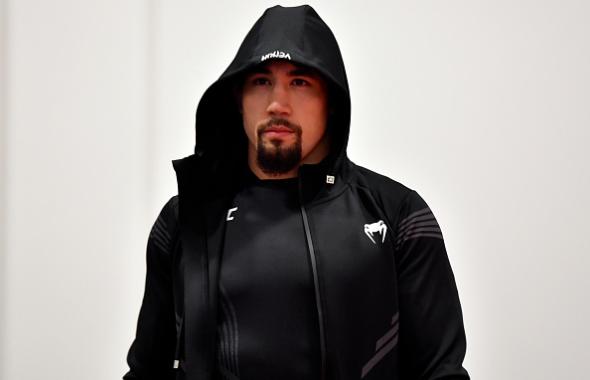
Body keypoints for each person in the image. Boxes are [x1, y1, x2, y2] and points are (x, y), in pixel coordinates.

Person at [123, 4, 470, 380]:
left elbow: (441, 371)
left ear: (331, 102)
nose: (277, 104)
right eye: (261, 81)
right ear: (238, 100)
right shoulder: (185, 220)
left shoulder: (397, 215)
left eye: (300, 82)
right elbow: (146, 371)